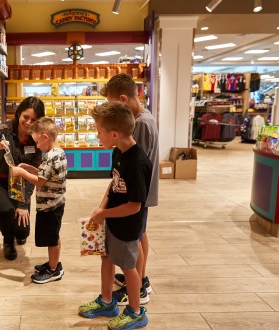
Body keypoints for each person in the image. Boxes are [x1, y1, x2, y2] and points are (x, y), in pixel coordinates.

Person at [78, 102, 151, 330]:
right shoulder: (118, 152)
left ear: (115, 134)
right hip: (112, 221)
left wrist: (105, 213)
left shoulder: (138, 162)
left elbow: (135, 206)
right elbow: (114, 184)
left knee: (128, 268)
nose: (97, 136)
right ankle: (107, 301)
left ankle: (136, 312)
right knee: (106, 257)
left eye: (99, 132)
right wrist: (101, 209)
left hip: (127, 226)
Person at [100, 73, 159, 305]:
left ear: (122, 99)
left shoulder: (141, 124)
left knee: (136, 237)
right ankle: (136, 278)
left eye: (111, 103)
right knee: (139, 235)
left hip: (138, 195)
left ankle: (139, 284)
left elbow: (136, 165)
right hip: (137, 194)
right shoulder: (143, 117)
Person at [0, 96, 45, 260]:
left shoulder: (37, 139)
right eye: (26, 117)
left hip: (22, 184)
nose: (28, 122)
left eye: (34, 119)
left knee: (22, 232)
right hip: (0, 182)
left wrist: (23, 204)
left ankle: (16, 233)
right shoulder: (4, 130)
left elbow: (34, 173)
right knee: (7, 211)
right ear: (18, 114)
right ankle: (8, 242)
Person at [11, 117, 67, 284]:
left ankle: (53, 270)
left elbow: (40, 181)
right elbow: (45, 175)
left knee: (52, 238)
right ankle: (53, 263)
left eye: (37, 142)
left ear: (45, 137)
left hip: (50, 206)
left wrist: (22, 173)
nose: (36, 146)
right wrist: (29, 168)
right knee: (52, 236)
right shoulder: (58, 153)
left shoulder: (50, 156)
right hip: (55, 203)